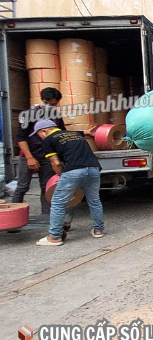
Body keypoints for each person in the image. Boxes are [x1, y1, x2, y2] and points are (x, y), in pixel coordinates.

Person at [33, 120, 103, 246]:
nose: (40, 138)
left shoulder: (48, 140)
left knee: (58, 202)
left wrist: (61, 176)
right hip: (93, 168)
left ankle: (54, 236)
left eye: (39, 134)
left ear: (44, 131)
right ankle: (98, 230)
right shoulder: (74, 134)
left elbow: (56, 163)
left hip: (73, 170)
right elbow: (79, 137)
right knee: (94, 200)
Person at [12, 87, 66, 215]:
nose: (50, 106)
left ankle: (47, 217)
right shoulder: (29, 114)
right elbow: (20, 138)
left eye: (54, 104)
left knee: (46, 186)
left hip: (48, 155)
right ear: (42, 100)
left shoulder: (56, 116)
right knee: (22, 187)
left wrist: (83, 132)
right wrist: (29, 157)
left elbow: (62, 132)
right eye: (48, 103)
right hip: (29, 154)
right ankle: (14, 215)